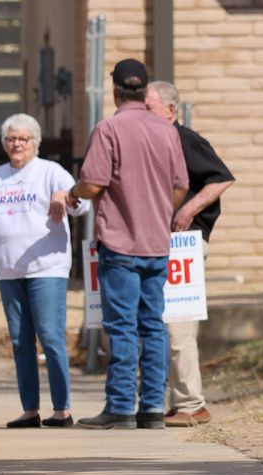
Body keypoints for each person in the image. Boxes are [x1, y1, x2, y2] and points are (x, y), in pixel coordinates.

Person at [67, 59, 189, 430]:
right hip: (156, 243)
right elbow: (181, 185)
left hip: (120, 244)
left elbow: (93, 184)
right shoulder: (167, 130)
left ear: (116, 90)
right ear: (144, 89)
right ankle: (152, 408)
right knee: (152, 324)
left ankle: (120, 406)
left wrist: (73, 191)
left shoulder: (109, 129)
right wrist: (160, 210)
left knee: (121, 327)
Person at [0, 113, 90, 428]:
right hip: (8, 269)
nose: (17, 144)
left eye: (23, 139)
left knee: (51, 335)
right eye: (12, 139)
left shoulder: (51, 171)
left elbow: (82, 205)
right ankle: (30, 409)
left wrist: (65, 196)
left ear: (35, 143)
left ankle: (62, 409)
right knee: (19, 340)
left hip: (47, 267)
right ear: (5, 144)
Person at [145, 81, 235, 427]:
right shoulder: (154, 141)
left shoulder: (185, 140)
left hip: (186, 242)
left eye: (149, 107)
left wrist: (187, 211)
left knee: (179, 325)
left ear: (170, 110)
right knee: (164, 324)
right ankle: (179, 401)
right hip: (159, 242)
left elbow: (220, 178)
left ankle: (192, 404)